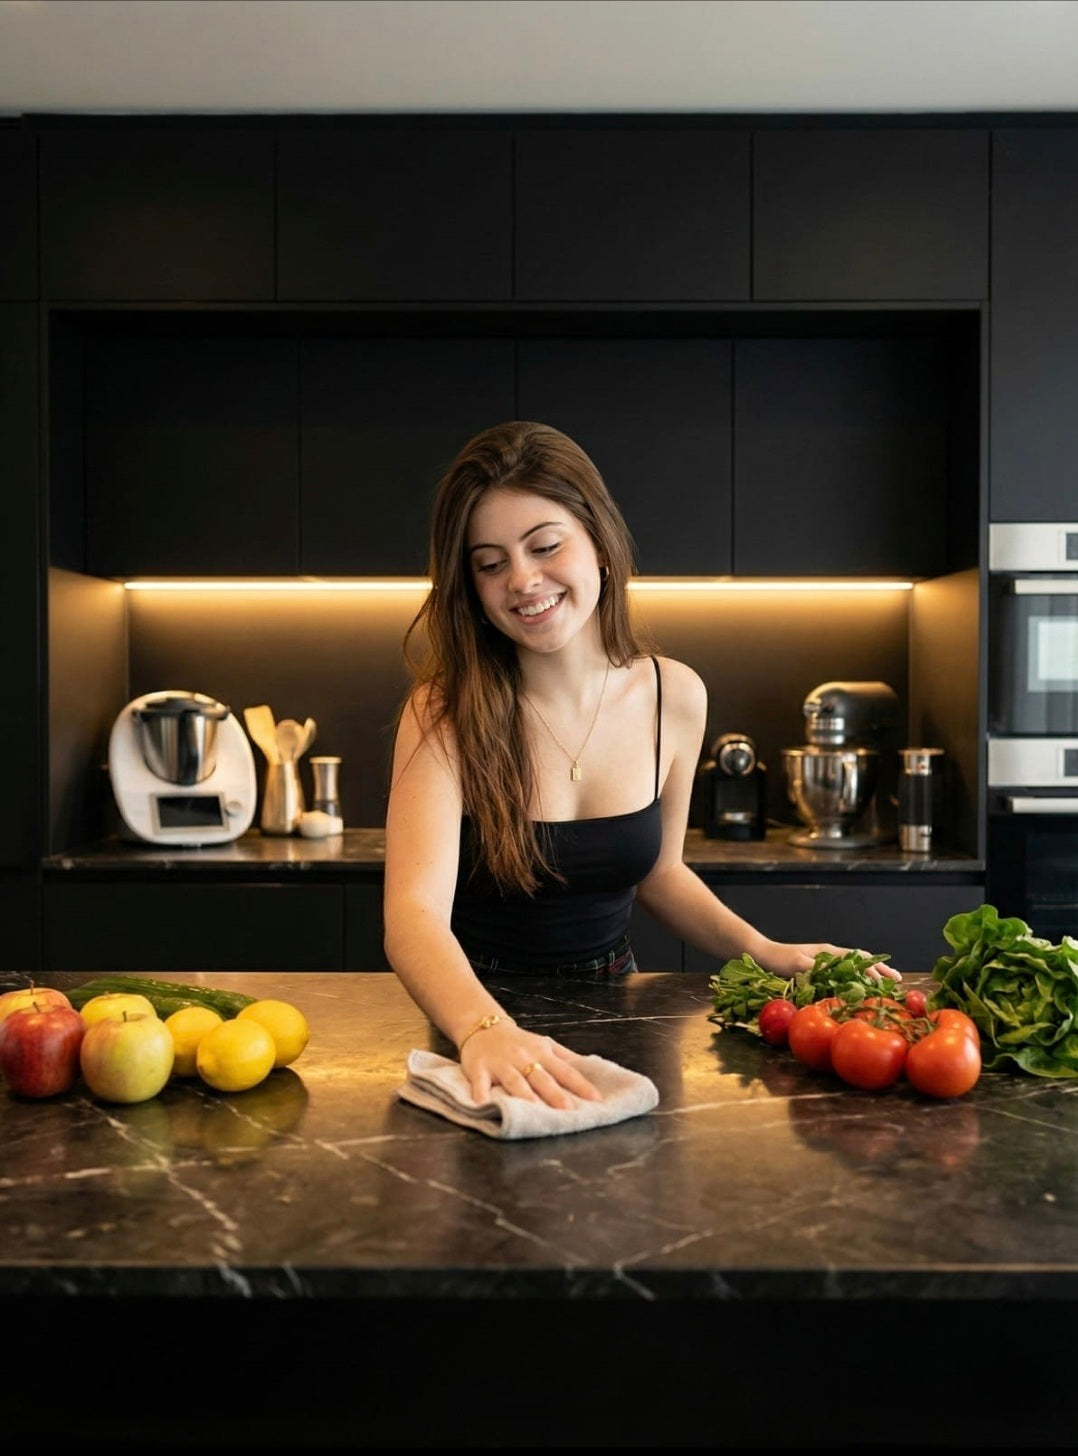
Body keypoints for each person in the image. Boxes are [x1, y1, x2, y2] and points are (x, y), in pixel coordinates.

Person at [383, 421, 895, 1110]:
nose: (523, 580)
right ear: (470, 584)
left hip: (620, 1016)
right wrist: (484, 1030)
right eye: (490, 562)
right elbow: (413, 915)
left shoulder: (673, 696)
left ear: (599, 542)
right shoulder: (441, 711)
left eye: (545, 546)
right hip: (477, 1023)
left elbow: (659, 870)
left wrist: (765, 949)